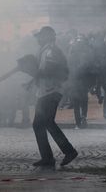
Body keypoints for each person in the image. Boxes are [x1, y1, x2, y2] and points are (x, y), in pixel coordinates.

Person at [31, 26, 78, 167]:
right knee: (39, 124)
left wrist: (35, 72)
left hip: (51, 91)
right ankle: (48, 157)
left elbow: (49, 70)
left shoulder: (51, 51)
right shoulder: (46, 49)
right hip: (45, 91)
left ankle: (68, 151)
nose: (38, 38)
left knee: (46, 122)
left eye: (40, 36)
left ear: (47, 36)